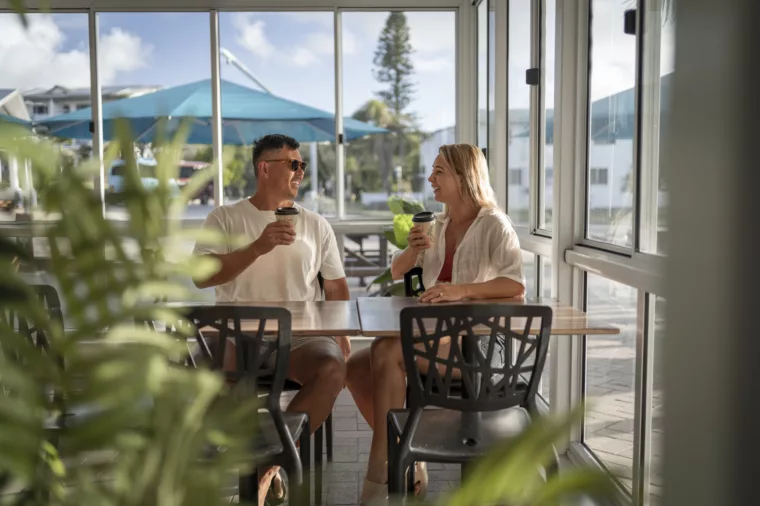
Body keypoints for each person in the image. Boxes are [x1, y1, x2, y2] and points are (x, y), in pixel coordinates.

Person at [345, 143, 526, 504]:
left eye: (439, 171)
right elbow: (397, 270)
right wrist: (413, 251)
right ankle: (408, 457)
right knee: (355, 367)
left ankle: (382, 477)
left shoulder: (495, 225)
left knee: (385, 351)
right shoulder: (438, 225)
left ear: (464, 176)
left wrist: (461, 290)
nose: (431, 178)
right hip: (438, 339)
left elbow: (515, 287)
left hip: (479, 348)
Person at [193, 134, 351, 506]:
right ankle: (230, 459)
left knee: (332, 369)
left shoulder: (316, 224)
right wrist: (257, 247)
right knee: (217, 377)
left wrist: (340, 333)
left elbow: (337, 287)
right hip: (237, 337)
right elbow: (201, 276)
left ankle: (269, 467)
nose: (300, 172)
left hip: (298, 339)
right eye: (292, 164)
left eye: (302, 165)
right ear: (265, 168)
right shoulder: (225, 217)